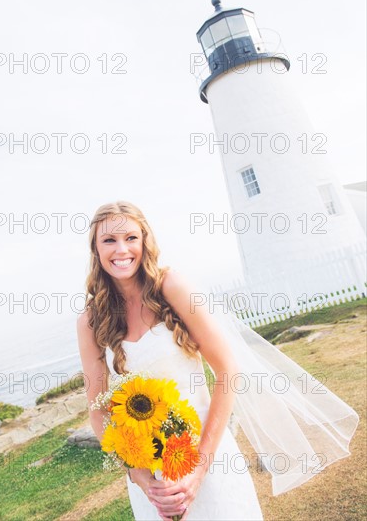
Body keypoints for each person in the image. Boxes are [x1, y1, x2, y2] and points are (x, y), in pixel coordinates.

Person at [77, 200, 359, 521]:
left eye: (130, 238)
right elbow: (98, 409)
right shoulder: (90, 321)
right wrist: (142, 479)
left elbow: (227, 370)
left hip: (208, 457)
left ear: (145, 241)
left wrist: (197, 470)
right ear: (96, 250)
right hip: (151, 479)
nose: (121, 249)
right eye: (109, 240)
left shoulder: (172, 287)